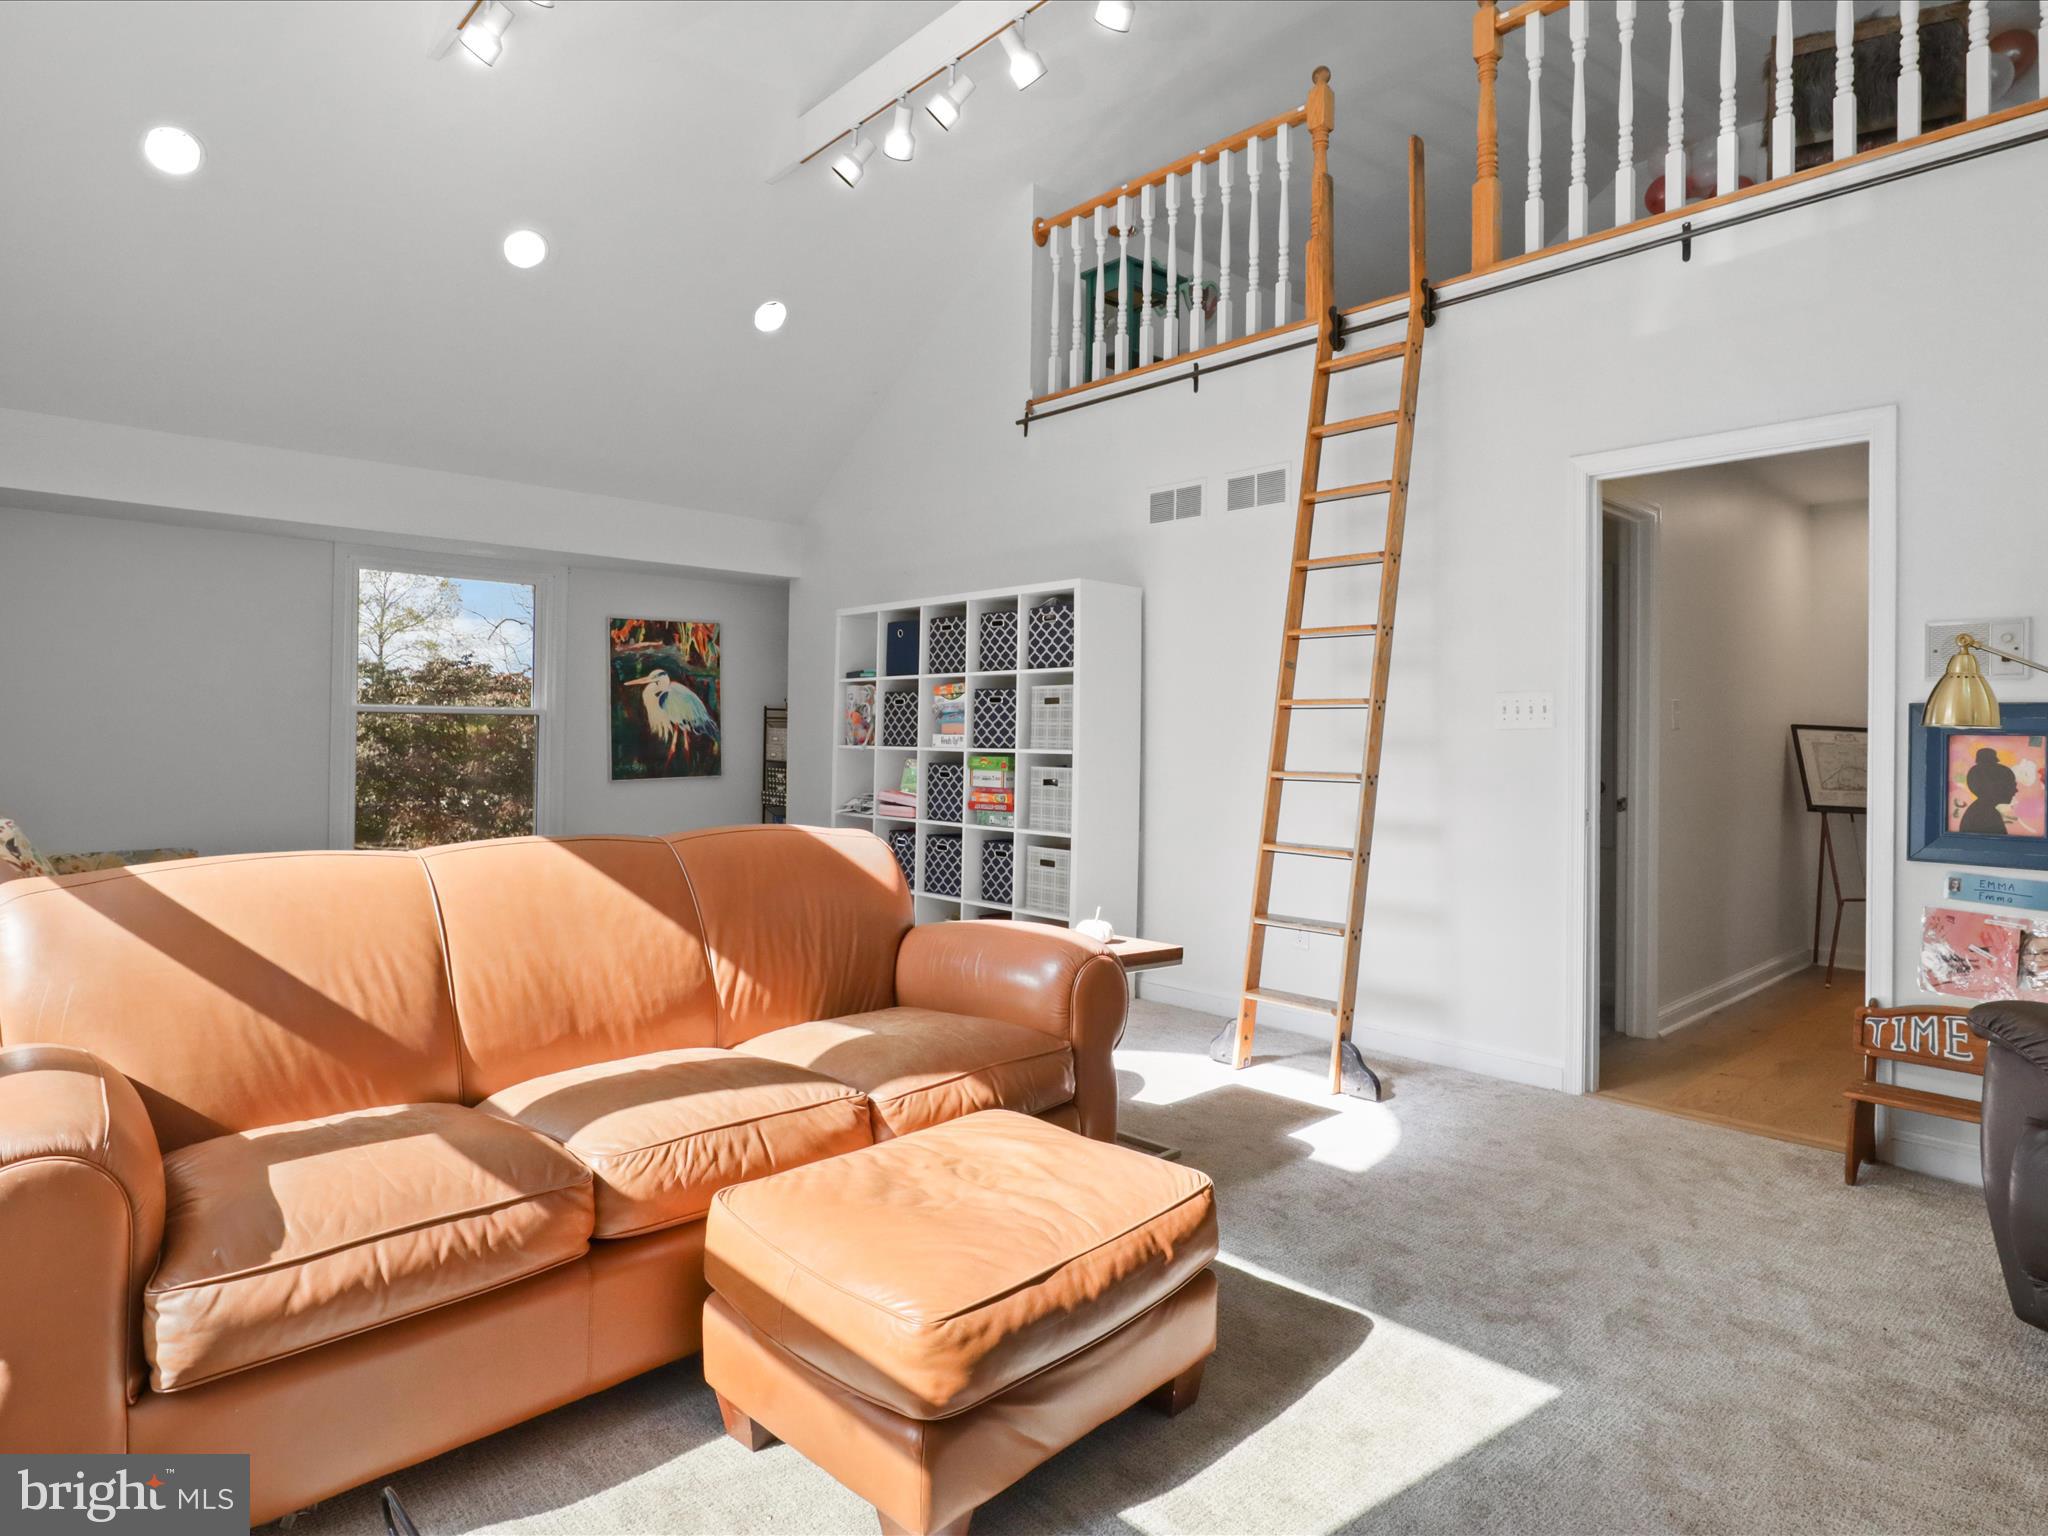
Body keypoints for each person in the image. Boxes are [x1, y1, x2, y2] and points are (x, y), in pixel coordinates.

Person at [1959, 745, 2018, 835]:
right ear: (1996, 787)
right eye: (2010, 785)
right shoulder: (1985, 815)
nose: (2015, 790)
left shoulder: (1982, 811)